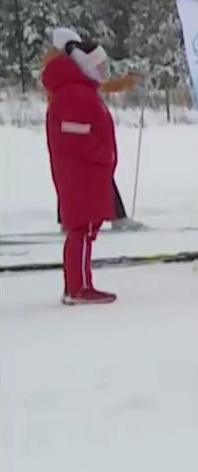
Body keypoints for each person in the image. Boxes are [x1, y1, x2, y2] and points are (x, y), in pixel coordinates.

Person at [43, 35, 118, 305]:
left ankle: (78, 284)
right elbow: (74, 136)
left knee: (85, 229)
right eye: (99, 66)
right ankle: (79, 287)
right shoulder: (74, 94)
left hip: (86, 172)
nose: (103, 71)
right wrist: (104, 154)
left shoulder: (79, 91)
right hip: (82, 173)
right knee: (82, 230)